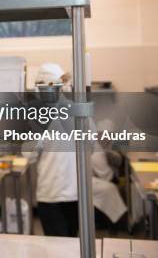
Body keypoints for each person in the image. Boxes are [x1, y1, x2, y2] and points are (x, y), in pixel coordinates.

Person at [31, 64, 126, 237]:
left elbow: (29, 155)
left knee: (56, 246)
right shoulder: (78, 110)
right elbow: (90, 148)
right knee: (71, 244)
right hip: (75, 192)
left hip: (51, 194)